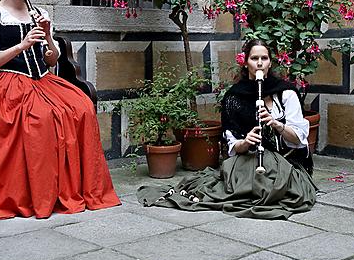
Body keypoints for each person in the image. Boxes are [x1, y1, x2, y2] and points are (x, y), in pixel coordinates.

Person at [0, 0, 120, 222]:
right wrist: (21, 45)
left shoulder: (39, 14)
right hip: (4, 80)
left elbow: (51, 60)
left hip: (39, 79)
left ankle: (71, 188)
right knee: (41, 117)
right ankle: (35, 194)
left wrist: (48, 35)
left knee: (81, 106)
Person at [136, 39, 317, 219]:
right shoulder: (234, 97)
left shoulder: (286, 93)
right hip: (249, 161)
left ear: (270, 62)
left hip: (287, 163)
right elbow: (233, 147)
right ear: (246, 63)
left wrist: (277, 124)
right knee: (247, 187)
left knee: (268, 189)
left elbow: (298, 139)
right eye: (254, 58)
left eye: (264, 58)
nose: (260, 63)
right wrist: (246, 142)